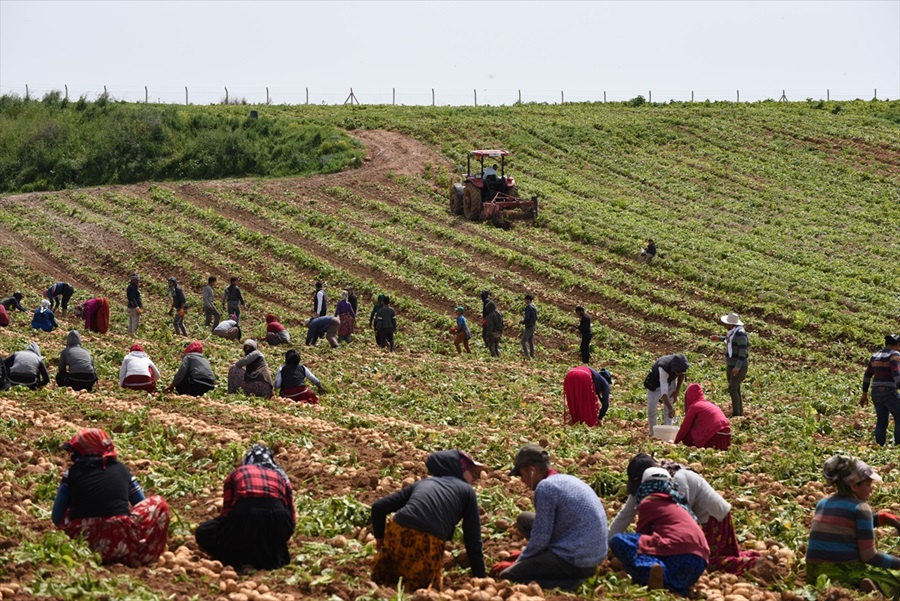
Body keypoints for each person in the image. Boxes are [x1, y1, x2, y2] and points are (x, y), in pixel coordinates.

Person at [610, 453, 760, 575]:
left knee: (708, 563)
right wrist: (605, 543)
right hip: (697, 523)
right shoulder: (650, 481)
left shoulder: (674, 480)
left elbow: (683, 515)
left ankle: (754, 563)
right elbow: (625, 515)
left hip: (712, 518)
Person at [52, 428, 170, 565]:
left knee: (70, 508)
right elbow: (140, 502)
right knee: (159, 503)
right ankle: (139, 556)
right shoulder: (122, 470)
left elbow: (56, 517)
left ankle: (87, 555)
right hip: (120, 540)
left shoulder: (70, 474)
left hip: (84, 544)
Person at [371, 450, 486, 590]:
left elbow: (378, 507)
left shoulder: (424, 483)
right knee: (425, 590)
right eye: (471, 469)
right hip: (428, 542)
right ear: (459, 468)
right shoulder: (467, 491)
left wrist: (380, 541)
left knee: (383, 579)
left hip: (398, 532)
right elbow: (472, 540)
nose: (475, 475)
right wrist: (481, 579)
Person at [498, 444, 607, 589]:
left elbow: (540, 539)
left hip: (576, 561)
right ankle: (560, 569)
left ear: (531, 471)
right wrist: (527, 554)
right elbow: (542, 528)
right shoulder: (564, 479)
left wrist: (520, 561)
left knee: (508, 575)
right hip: (593, 555)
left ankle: (570, 583)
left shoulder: (545, 488)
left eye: (522, 474)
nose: (522, 481)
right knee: (524, 519)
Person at [806, 454, 900, 597]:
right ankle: (875, 589)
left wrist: (882, 519)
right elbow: (869, 556)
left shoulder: (823, 503)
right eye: (868, 485)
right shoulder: (861, 508)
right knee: (894, 578)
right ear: (854, 486)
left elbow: (846, 525)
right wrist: (898, 563)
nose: (871, 489)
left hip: (815, 571)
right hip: (846, 570)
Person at [609, 467, 710, 595]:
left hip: (676, 551)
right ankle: (672, 585)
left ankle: (650, 567)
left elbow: (642, 537)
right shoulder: (680, 504)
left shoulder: (648, 502)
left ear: (645, 485)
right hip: (699, 561)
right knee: (674, 585)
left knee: (618, 540)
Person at [196, 444, 295, 570]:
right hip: (278, 518)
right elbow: (291, 514)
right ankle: (268, 557)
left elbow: (227, 513)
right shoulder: (281, 476)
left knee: (204, 532)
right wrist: (278, 537)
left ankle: (238, 559)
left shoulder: (237, 473)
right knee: (271, 544)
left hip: (245, 514)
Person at [860, 334, 900, 447]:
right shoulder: (895, 355)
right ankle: (898, 446)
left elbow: (867, 375)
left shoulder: (875, 355)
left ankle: (879, 446)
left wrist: (864, 394)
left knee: (882, 421)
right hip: (889, 391)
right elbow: (896, 374)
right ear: (898, 345)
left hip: (876, 392)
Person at [711, 312, 749, 417]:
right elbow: (729, 340)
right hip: (731, 365)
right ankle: (739, 410)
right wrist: (719, 338)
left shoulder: (740, 334)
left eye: (727, 323)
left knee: (733, 388)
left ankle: (737, 413)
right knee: (735, 388)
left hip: (738, 366)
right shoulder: (733, 332)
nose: (725, 325)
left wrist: (737, 366)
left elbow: (743, 351)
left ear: (732, 324)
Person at [674, 383, 731, 450]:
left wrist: (675, 442)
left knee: (687, 437)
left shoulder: (695, 406)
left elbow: (685, 427)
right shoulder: (707, 404)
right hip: (726, 434)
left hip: (714, 435)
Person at [644, 353, 689, 436]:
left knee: (668, 411)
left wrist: (676, 392)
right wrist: (670, 407)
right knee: (651, 408)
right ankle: (653, 433)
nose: (678, 374)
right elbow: (663, 391)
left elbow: (682, 374)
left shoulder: (681, 364)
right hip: (655, 384)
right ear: (673, 369)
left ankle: (668, 431)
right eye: (677, 372)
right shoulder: (663, 368)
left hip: (670, 382)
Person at [520, 295, 538, 359]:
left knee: (523, 341)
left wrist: (523, 322)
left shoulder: (528, 307)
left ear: (528, 300)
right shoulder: (534, 307)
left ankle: (526, 355)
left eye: (525, 300)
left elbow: (527, 317)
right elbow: (536, 317)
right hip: (533, 325)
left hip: (529, 326)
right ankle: (532, 355)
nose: (525, 301)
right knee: (530, 341)